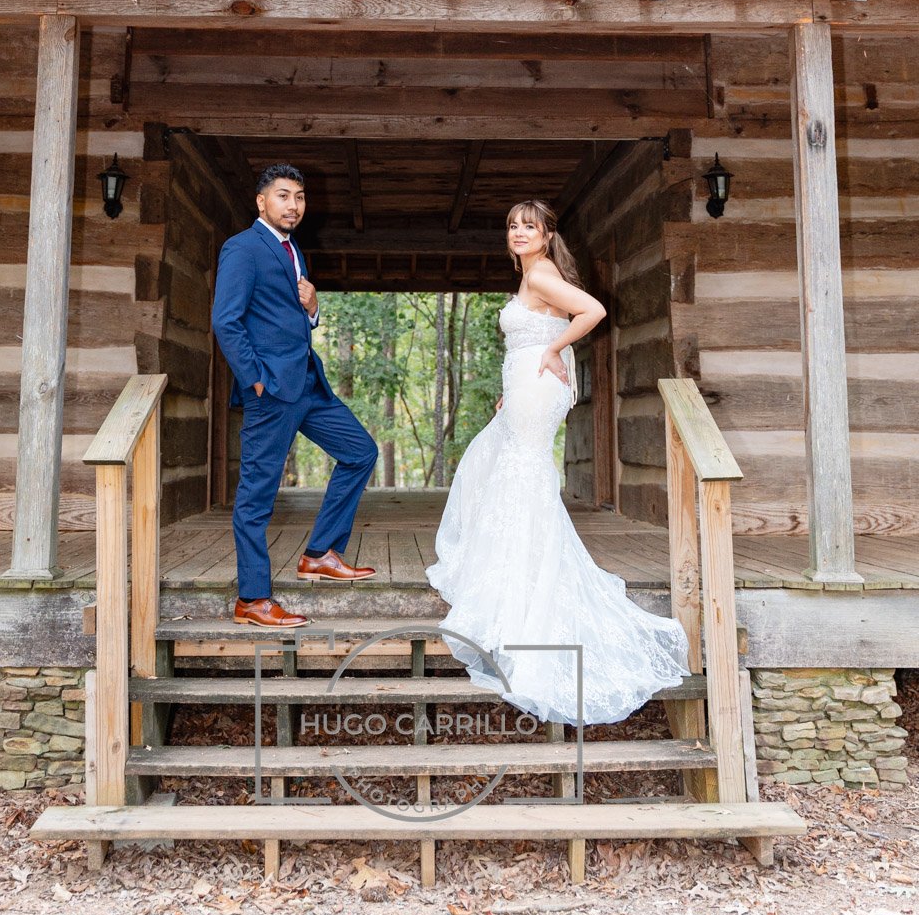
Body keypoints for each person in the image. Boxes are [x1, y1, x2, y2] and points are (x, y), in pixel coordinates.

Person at [425, 199, 691, 724]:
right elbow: (534, 335)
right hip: (523, 387)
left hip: (537, 383)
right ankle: (511, 568)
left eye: (529, 227)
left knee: (519, 473)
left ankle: (522, 584)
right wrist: (518, 380)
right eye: (512, 226)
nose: (518, 233)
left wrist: (553, 353)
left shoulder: (543, 275)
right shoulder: (532, 276)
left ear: (547, 235)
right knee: (493, 465)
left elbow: (592, 311)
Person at [211, 163, 379, 627]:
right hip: (272, 390)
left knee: (361, 451)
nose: (294, 205)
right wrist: (256, 380)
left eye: (300, 197)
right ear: (262, 201)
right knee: (256, 497)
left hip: (308, 383)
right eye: (284, 196)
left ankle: (321, 553)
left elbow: (288, 315)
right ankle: (252, 598)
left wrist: (314, 307)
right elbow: (226, 320)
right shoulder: (243, 248)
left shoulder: (292, 248)